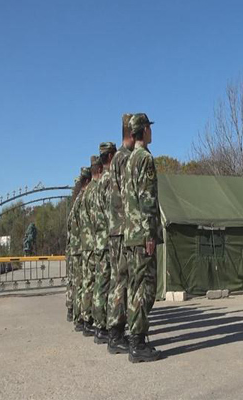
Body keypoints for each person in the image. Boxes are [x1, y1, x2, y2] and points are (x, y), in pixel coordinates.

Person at [123, 113, 162, 363]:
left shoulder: (128, 161)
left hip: (130, 234)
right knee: (145, 288)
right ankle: (137, 343)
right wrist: (149, 233)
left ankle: (135, 339)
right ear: (144, 130)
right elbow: (147, 199)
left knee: (135, 286)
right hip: (141, 235)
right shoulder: (145, 159)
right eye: (149, 128)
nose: (151, 132)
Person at [106, 114, 134, 354]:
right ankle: (116, 333)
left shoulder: (116, 159)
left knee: (118, 279)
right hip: (123, 229)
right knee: (122, 281)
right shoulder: (125, 159)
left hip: (115, 229)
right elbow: (129, 195)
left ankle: (114, 331)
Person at [92, 142, 117, 344]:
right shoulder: (108, 180)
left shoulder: (98, 184)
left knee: (101, 283)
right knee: (107, 284)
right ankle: (104, 326)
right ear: (110, 156)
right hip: (107, 240)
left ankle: (100, 326)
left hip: (99, 240)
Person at [80, 156, 102, 337]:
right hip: (95, 243)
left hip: (86, 243)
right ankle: (93, 320)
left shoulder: (85, 194)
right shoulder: (94, 191)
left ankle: (86, 318)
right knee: (96, 283)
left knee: (88, 282)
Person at [73, 167, 91, 332]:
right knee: (88, 283)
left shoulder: (78, 200)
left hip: (80, 247)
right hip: (87, 246)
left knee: (81, 282)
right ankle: (85, 320)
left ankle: (79, 317)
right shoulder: (85, 198)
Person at [65, 176, 81, 322]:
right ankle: (81, 315)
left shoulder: (75, 205)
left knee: (75, 281)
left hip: (74, 248)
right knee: (82, 282)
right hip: (82, 248)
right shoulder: (81, 202)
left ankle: (73, 309)